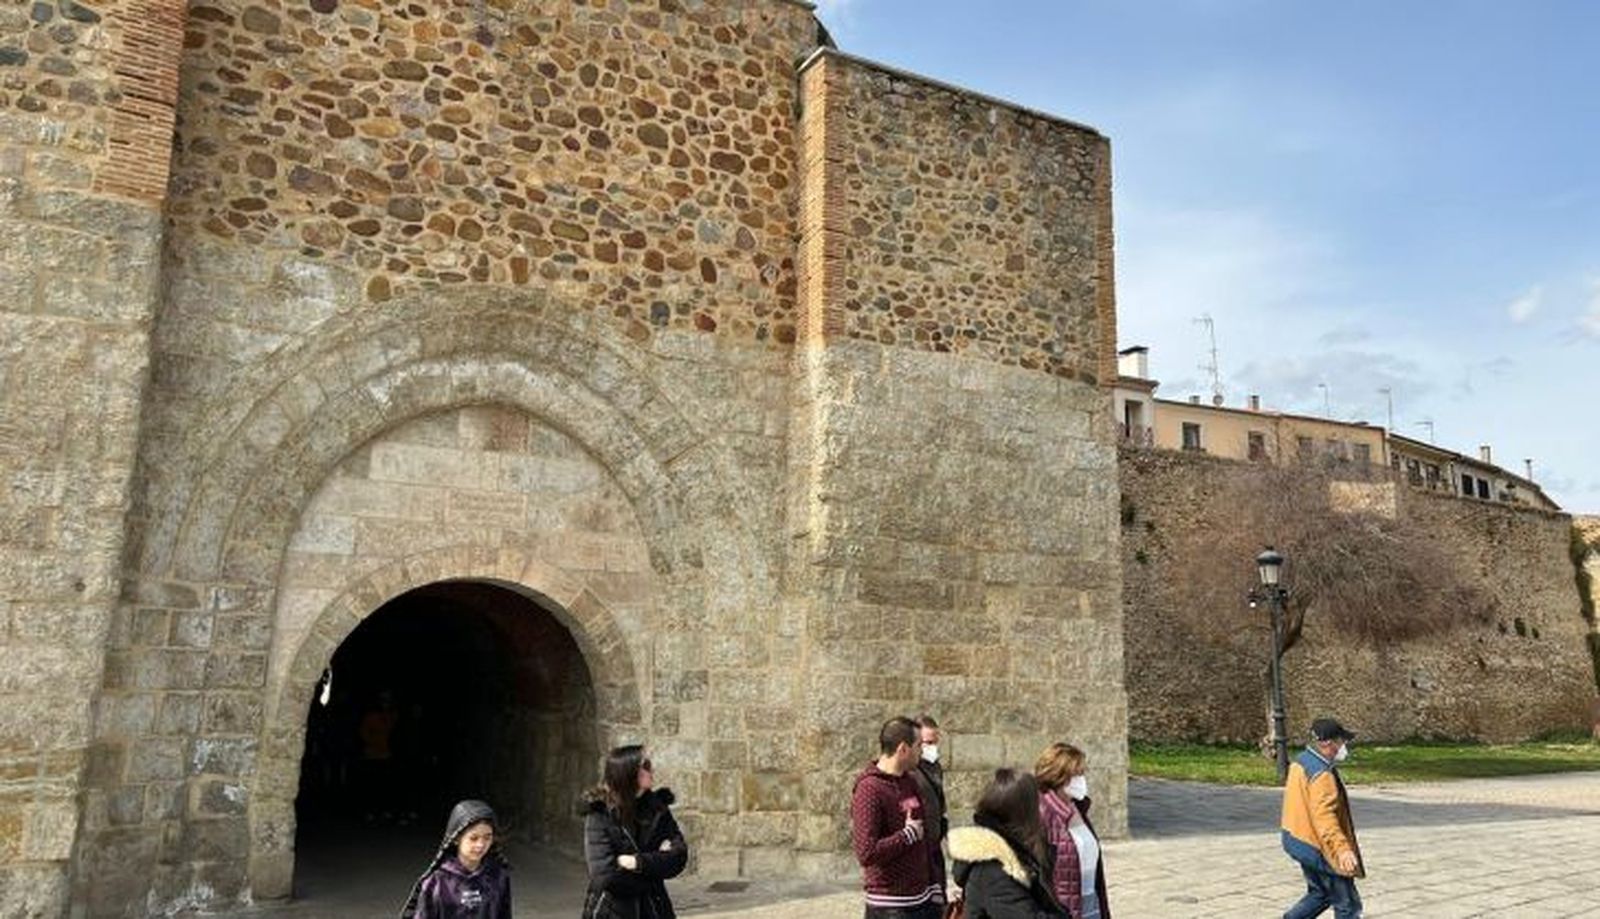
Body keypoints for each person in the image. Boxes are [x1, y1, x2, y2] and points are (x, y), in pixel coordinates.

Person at [581, 744, 688, 919]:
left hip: (656, 909)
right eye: (645, 766)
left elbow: (679, 857)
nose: (651, 770)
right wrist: (656, 867)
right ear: (628, 773)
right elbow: (604, 876)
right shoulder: (600, 813)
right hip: (612, 912)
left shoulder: (658, 809)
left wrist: (638, 862)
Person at [851, 716, 942, 919]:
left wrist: (935, 885)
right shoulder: (869, 789)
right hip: (890, 907)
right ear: (903, 749)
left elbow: (922, 834)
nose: (922, 751)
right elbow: (866, 852)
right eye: (919, 745)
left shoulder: (909, 782)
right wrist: (906, 836)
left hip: (924, 901)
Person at [947, 768, 1068, 919]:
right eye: (1037, 804)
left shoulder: (1016, 851)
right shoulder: (994, 870)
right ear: (1023, 813)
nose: (1041, 811)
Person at [1280, 718, 1365, 919]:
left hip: (1298, 839)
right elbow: (1324, 816)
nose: (1344, 746)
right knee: (1348, 905)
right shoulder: (1322, 775)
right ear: (1328, 743)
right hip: (1320, 846)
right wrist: (1342, 849)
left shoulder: (1301, 761)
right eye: (1342, 741)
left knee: (1320, 894)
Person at [398, 799, 512, 919]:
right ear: (456, 838)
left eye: (487, 837)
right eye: (473, 838)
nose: (481, 845)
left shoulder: (499, 877)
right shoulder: (436, 882)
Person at [1034, 742, 1111, 919]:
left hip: (1091, 902)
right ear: (1058, 776)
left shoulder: (1077, 807)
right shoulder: (1042, 812)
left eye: (1082, 773)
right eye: (1076, 774)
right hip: (1063, 909)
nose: (1081, 780)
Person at [911, 715, 949, 901]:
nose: (931, 747)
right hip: (917, 846)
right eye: (927, 743)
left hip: (934, 844)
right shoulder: (909, 769)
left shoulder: (935, 766)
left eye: (934, 742)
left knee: (938, 896)